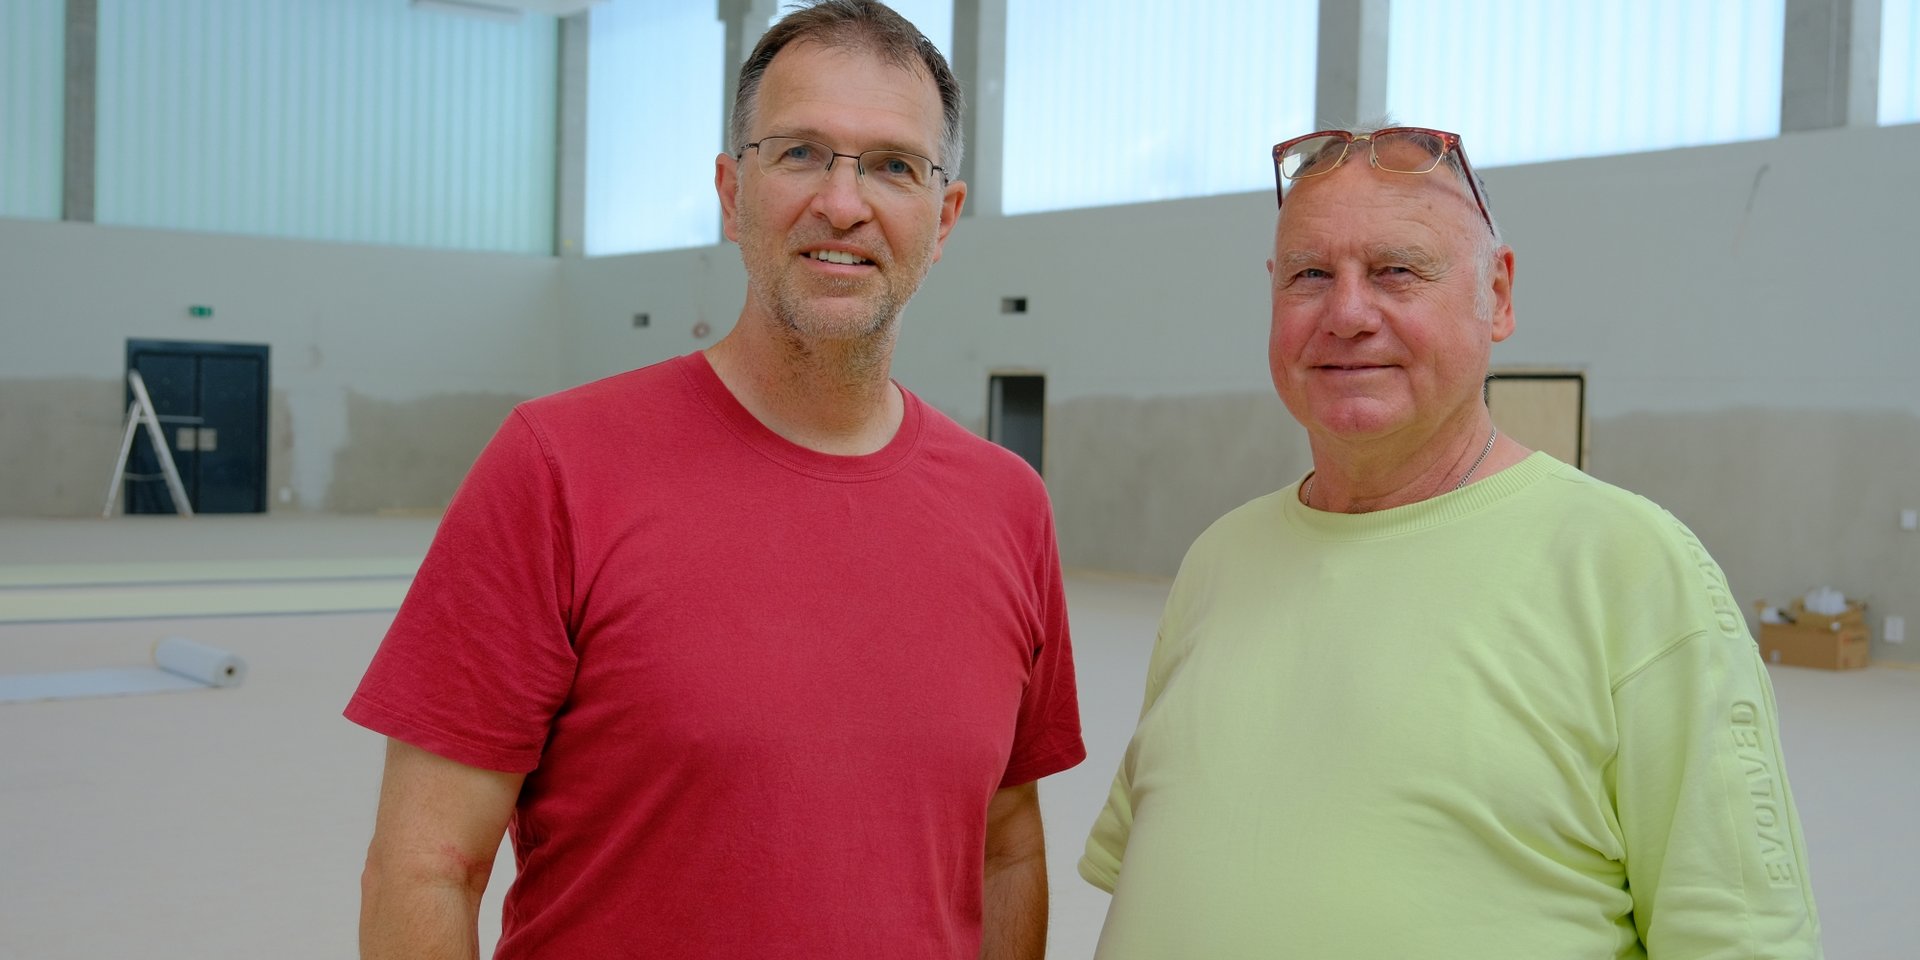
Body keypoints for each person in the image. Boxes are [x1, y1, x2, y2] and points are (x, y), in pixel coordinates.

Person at [347, 3, 1084, 957]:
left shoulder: (1007, 505)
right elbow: (425, 866)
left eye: (894, 165)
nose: (844, 204)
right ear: (732, 193)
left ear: (942, 219)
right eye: (802, 153)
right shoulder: (557, 466)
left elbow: (1007, 850)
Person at [1079, 124, 1821, 959]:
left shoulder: (1632, 568)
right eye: (1310, 275)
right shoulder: (1219, 559)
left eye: (1397, 270)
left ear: (1496, 296)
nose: (1347, 314)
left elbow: (1739, 938)